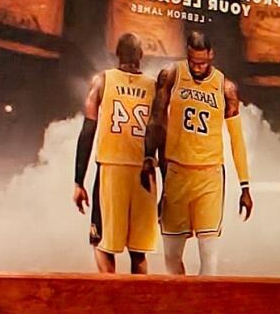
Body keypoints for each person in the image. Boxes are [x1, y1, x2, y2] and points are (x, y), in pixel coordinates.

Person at [156, 24, 257, 275]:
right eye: (193, 62)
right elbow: (157, 120)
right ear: (187, 55)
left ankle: (202, 311)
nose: (198, 67)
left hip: (209, 175)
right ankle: (180, 306)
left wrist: (245, 185)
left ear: (211, 55)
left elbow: (236, 139)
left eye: (202, 62)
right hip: (177, 173)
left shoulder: (225, 87)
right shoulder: (172, 74)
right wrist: (154, 161)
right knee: (170, 255)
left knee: (209, 257)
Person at [72, 32, 162, 273]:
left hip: (112, 170)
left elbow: (88, 131)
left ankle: (113, 306)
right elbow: (162, 134)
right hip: (145, 174)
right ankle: (138, 307)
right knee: (139, 253)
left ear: (117, 55)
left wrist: (78, 180)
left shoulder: (102, 81)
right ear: (141, 55)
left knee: (102, 244)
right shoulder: (155, 87)